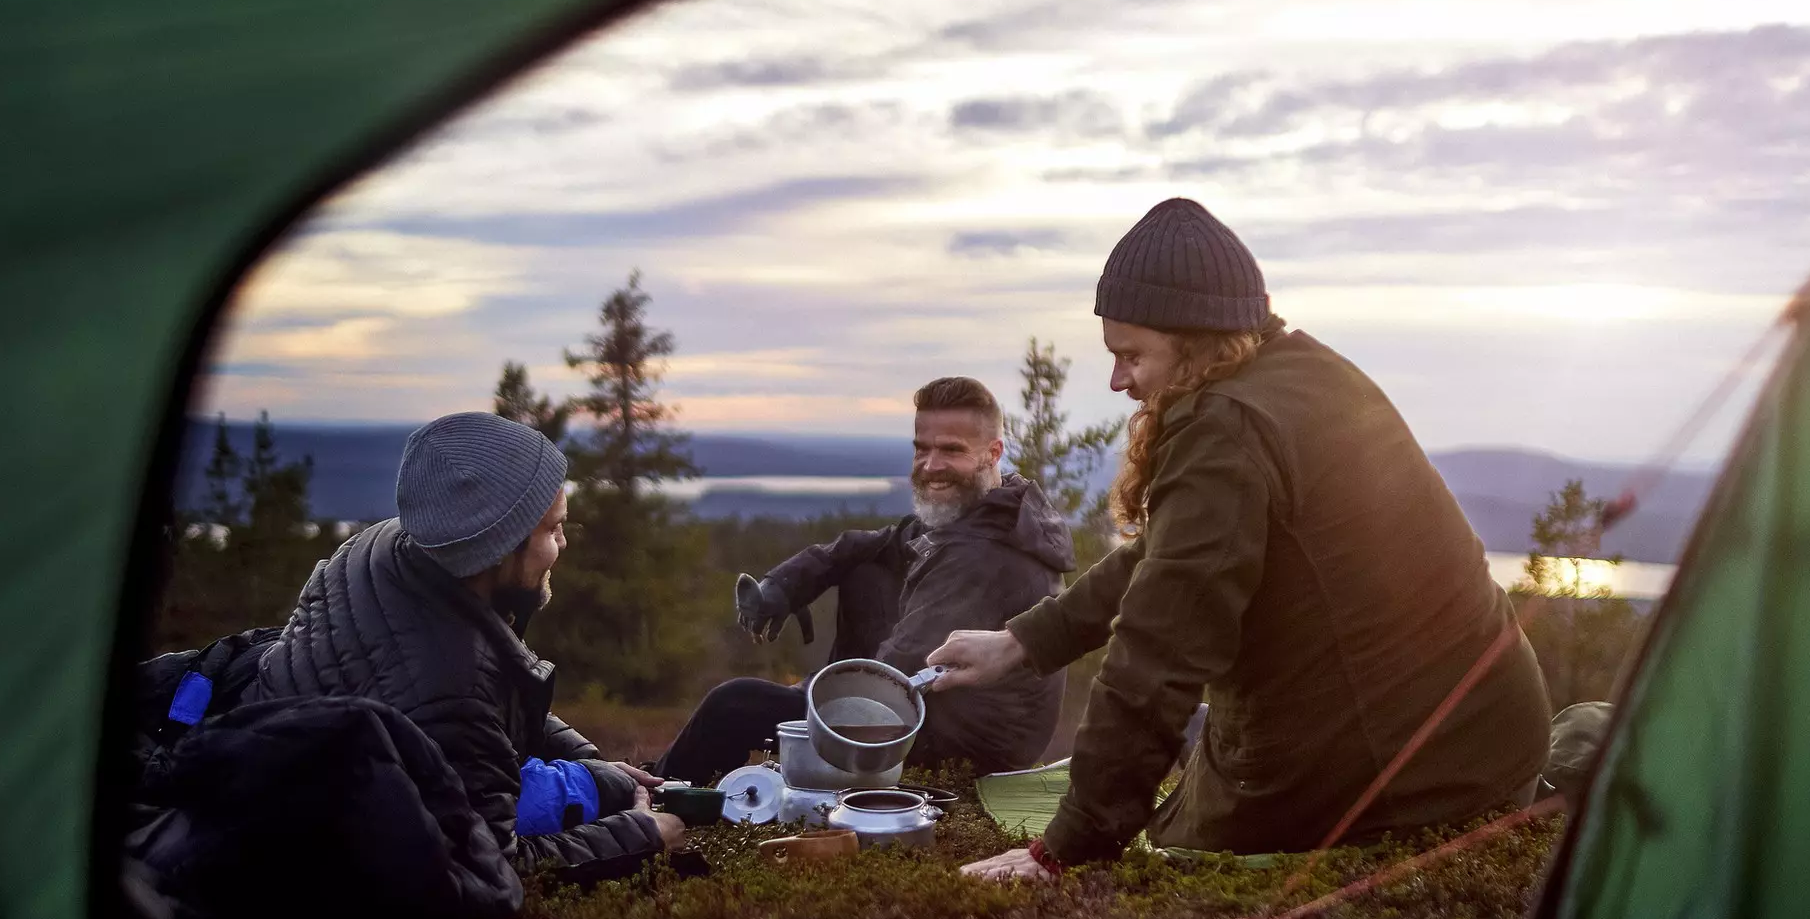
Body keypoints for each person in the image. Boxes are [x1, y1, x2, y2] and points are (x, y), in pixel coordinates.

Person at [930, 198, 1551, 879]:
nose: (1118, 380)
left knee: (1195, 821)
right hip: (1488, 734)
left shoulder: (1224, 429)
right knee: (1205, 748)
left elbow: (1159, 649)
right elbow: (1170, 551)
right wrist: (1023, 642)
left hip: (1405, 781)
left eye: (1132, 355)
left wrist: (1064, 849)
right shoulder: (1303, 370)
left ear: (1194, 342)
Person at [243, 411, 686, 877]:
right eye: (553, 529)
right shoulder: (450, 682)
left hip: (269, 756)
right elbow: (492, 868)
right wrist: (642, 834)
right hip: (297, 848)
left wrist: (592, 762)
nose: (563, 544)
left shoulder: (392, 543)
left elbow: (495, 704)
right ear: (498, 546)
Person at [655, 377, 1075, 783]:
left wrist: (806, 700)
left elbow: (894, 677)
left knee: (732, 706)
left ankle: (655, 798)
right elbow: (867, 545)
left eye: (951, 450)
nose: (931, 465)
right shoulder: (986, 507)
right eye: (921, 449)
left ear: (993, 452)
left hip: (965, 750)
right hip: (943, 709)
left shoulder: (982, 554)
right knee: (865, 570)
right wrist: (786, 586)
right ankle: (672, 775)